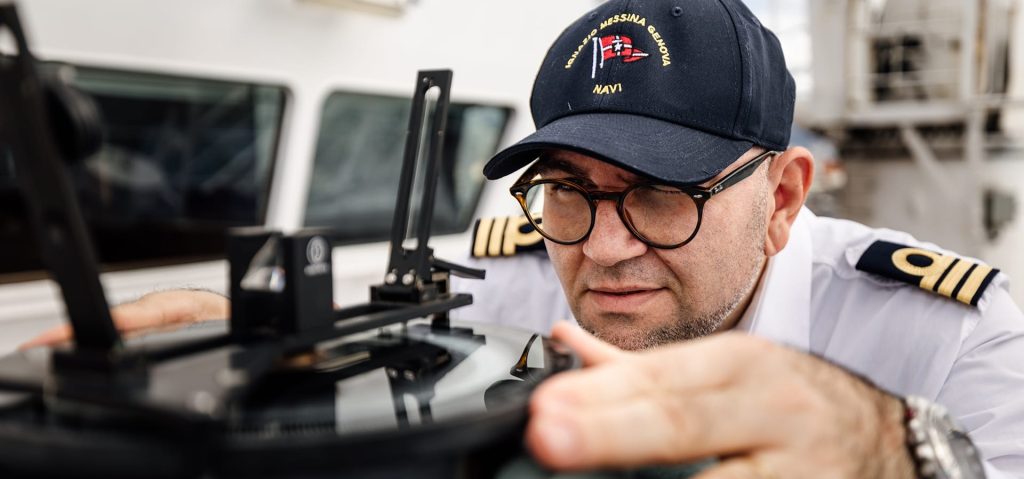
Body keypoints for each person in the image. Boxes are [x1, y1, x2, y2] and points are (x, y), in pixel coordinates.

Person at [22, 0, 1024, 477]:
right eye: (569, 191)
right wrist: (251, 331)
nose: (607, 247)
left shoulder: (947, 331)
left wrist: (890, 450)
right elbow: (397, 327)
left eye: (662, 195)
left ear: (783, 194)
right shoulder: (520, 270)